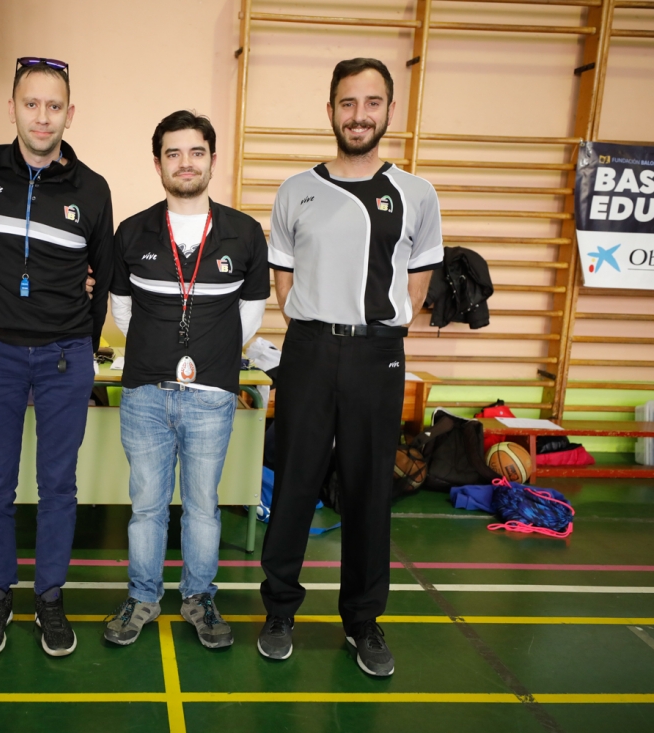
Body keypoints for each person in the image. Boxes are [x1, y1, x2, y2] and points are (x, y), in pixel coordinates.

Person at [256, 58, 443, 676]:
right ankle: (279, 610)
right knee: (295, 482)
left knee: (368, 489)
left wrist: (372, 331)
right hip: (309, 350)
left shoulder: (417, 194)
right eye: (347, 103)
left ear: (389, 110)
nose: (359, 115)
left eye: (371, 102)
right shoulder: (295, 190)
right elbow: (284, 280)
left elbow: (418, 285)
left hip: (376, 354)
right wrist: (321, 324)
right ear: (331, 110)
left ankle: (363, 621)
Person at [0, 57, 114, 657]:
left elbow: (104, 279)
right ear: (11, 107)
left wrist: (82, 345)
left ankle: (50, 598)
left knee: (58, 485)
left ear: (70, 113)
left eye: (53, 106)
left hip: (65, 357)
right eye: (31, 103)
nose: (42, 116)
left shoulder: (92, 189)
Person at [103, 111, 269, 648]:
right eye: (173, 153)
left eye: (196, 152)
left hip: (212, 395)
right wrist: (159, 350)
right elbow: (122, 311)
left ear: (212, 160)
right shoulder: (132, 232)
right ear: (158, 164)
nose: (185, 163)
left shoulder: (244, 233)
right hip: (144, 394)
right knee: (147, 508)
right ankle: (143, 597)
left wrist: (210, 355)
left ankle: (199, 598)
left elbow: (250, 315)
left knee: (202, 507)